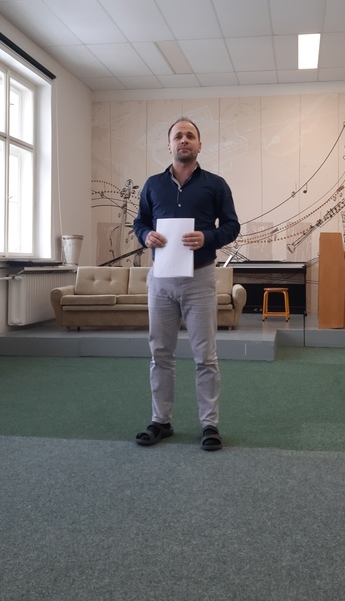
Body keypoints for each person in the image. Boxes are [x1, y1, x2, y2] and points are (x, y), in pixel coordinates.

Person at [133, 117, 240, 451]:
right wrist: (145, 235)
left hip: (200, 277)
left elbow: (232, 226)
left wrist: (208, 237)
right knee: (160, 354)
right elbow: (140, 221)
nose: (184, 140)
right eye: (178, 136)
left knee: (205, 356)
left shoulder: (216, 185)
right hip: (161, 280)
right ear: (169, 145)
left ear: (199, 145)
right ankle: (160, 421)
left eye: (190, 136)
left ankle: (209, 425)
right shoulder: (152, 185)